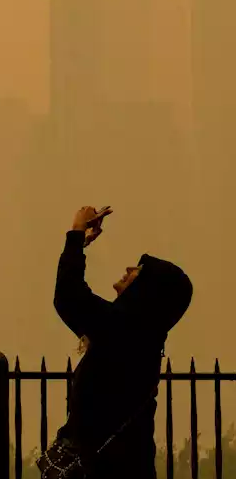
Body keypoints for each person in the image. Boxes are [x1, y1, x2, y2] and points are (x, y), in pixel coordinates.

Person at [41, 205, 193, 479]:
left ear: (150, 292)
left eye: (140, 271)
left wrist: (76, 235)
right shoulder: (139, 337)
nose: (129, 269)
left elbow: (69, 296)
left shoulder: (127, 332)